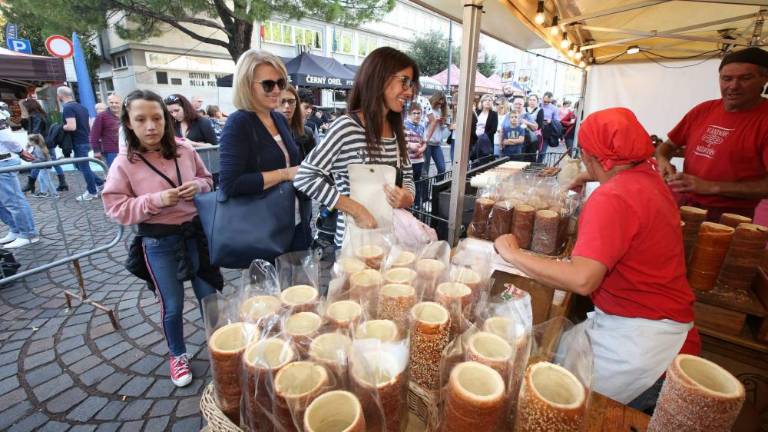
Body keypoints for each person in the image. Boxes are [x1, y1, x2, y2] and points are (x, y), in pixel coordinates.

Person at [495, 107, 699, 410]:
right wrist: (591, 174)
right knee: (562, 347)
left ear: (592, 156)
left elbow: (582, 279)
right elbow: (620, 180)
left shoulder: (612, 197)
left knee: (562, 405)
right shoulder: (648, 177)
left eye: (587, 155)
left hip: (643, 341)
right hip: (664, 323)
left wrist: (512, 253)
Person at [102, 89, 220, 387]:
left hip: (196, 236)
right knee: (172, 305)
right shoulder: (123, 163)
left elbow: (208, 180)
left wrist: (198, 185)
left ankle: (220, 346)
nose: (151, 126)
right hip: (159, 243)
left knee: (209, 297)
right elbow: (116, 209)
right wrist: (156, 200)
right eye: (141, 119)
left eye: (157, 118)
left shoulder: (186, 150)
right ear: (128, 123)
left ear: (167, 119)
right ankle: (177, 354)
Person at [294, 47, 417, 246]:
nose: (410, 91)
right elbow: (305, 177)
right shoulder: (347, 127)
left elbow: (408, 174)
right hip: (354, 244)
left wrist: (407, 197)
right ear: (380, 78)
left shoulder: (395, 129)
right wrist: (355, 209)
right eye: (405, 81)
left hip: (390, 240)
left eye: (412, 84)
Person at [656, 47, 768, 221]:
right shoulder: (704, 109)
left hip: (731, 216)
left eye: (745, 78)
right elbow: (668, 146)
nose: (733, 86)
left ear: (764, 79)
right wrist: (662, 160)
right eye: (726, 78)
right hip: (686, 204)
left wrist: (711, 187)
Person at [218, 49, 312, 252]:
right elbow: (230, 184)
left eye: (281, 83)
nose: (277, 90)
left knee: (300, 281)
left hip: (293, 219)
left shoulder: (278, 118)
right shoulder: (238, 123)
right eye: (268, 84)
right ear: (246, 85)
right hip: (262, 228)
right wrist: (285, 174)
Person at [0, 104, 38, 249]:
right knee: (6, 202)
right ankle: (17, 229)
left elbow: (5, 136)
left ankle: (27, 233)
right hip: (4, 160)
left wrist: (21, 151)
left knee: (13, 201)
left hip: (4, 161)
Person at [58, 86, 105, 201]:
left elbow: (71, 126)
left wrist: (60, 127)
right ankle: (99, 183)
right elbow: (90, 126)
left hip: (78, 142)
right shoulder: (82, 107)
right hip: (85, 140)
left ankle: (92, 191)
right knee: (78, 165)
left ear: (60, 96)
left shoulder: (68, 108)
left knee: (83, 167)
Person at [20, 99, 50, 194]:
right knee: (43, 167)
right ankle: (40, 188)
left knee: (39, 166)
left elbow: (35, 132)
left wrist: (29, 144)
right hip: (44, 142)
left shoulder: (34, 116)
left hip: (40, 144)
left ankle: (34, 185)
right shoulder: (42, 114)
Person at [279, 84, 316, 159]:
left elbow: (314, 163)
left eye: (291, 101)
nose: (287, 106)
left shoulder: (307, 132)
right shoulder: (261, 132)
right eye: (282, 101)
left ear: (296, 104)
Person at [90, 93, 122, 168]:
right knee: (114, 171)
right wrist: (96, 151)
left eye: (116, 102)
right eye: (111, 102)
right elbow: (94, 134)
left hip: (125, 149)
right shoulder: (102, 116)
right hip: (111, 150)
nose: (114, 105)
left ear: (120, 103)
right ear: (108, 103)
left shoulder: (125, 115)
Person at [404, 102, 427, 207]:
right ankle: (409, 205)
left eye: (419, 113)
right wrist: (410, 145)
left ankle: (417, 205)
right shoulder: (404, 126)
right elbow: (401, 142)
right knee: (408, 184)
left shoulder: (422, 127)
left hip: (419, 160)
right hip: (408, 160)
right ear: (409, 114)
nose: (417, 115)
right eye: (414, 113)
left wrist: (421, 149)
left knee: (417, 183)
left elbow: (425, 143)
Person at [423, 91, 448, 177]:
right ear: (435, 100)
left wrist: (442, 123)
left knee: (442, 168)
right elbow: (423, 124)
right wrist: (433, 121)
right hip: (428, 143)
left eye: (442, 103)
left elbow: (441, 129)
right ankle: (425, 190)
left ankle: (437, 188)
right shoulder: (428, 109)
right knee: (425, 171)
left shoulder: (441, 111)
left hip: (437, 143)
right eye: (439, 102)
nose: (440, 105)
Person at [27, 134, 59, 199]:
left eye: (29, 141)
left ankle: (54, 194)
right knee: (41, 178)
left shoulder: (37, 148)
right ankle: (43, 192)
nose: (29, 143)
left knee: (47, 180)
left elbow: (41, 159)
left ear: (33, 141)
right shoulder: (39, 146)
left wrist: (33, 159)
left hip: (45, 166)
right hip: (44, 166)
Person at [471, 94, 498, 160]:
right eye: (485, 100)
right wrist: (475, 136)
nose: (487, 102)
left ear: (492, 103)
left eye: (489, 100)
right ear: (482, 102)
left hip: (486, 141)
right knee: (474, 160)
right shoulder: (476, 112)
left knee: (485, 160)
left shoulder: (494, 114)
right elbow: (472, 126)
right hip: (474, 140)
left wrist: (482, 138)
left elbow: (493, 129)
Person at [538, 91, 562, 160]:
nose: (546, 103)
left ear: (551, 100)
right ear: (542, 98)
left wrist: (551, 120)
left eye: (548, 102)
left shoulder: (554, 108)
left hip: (546, 130)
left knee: (542, 151)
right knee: (533, 150)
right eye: (545, 101)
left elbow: (557, 120)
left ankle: (539, 164)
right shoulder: (538, 105)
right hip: (536, 128)